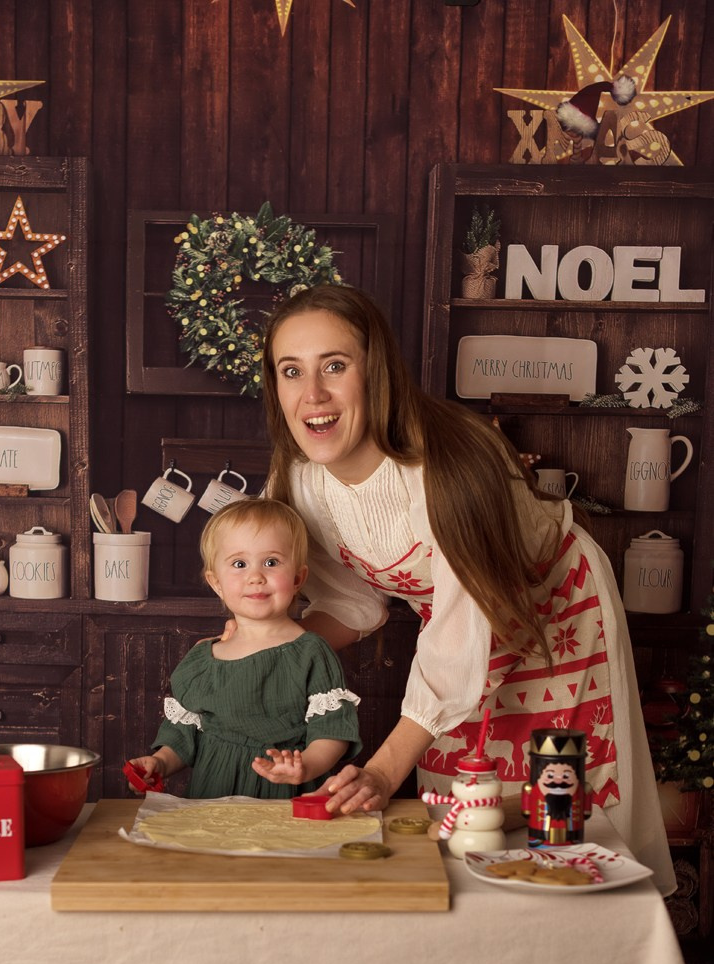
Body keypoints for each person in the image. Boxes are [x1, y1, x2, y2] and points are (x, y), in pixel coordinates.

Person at [260, 283, 675, 892]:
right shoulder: (299, 481)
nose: (313, 394)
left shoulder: (447, 465)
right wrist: (270, 659)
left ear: (377, 372)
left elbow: (465, 625)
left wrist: (382, 772)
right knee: (464, 818)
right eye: (291, 370)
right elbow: (354, 602)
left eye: (336, 366)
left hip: (557, 611)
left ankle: (587, 935)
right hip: (455, 632)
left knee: (557, 807)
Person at [128, 497, 362, 799]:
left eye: (271, 562)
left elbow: (332, 730)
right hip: (213, 794)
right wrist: (160, 762)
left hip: (282, 794)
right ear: (217, 583)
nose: (255, 577)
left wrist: (306, 766)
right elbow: (184, 734)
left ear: (297, 578)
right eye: (239, 564)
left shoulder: (310, 652)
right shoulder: (203, 659)